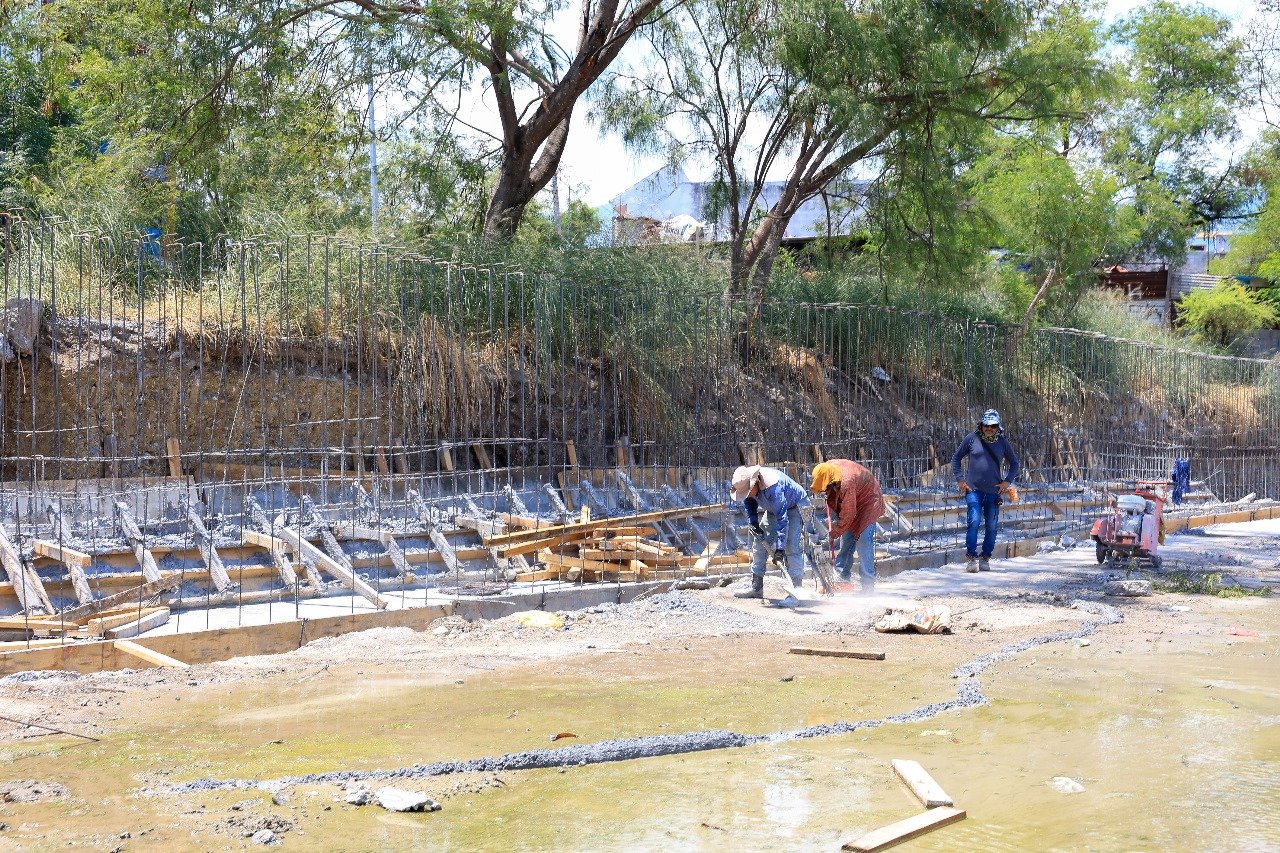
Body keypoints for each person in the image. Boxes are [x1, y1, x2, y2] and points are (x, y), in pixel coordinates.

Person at [951, 408, 1020, 573]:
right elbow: (956, 458)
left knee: (992, 526)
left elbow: (1015, 463)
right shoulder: (971, 439)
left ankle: (985, 557)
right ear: (981, 426)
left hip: (993, 493)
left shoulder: (1003, 442)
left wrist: (1007, 481)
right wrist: (960, 479)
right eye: (986, 425)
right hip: (974, 490)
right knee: (973, 523)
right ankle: (972, 558)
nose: (989, 429)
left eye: (993, 426)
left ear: (998, 427)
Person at [729, 465, 810, 599]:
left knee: (790, 546)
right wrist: (753, 521)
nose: (747, 495)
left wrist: (779, 549)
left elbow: (782, 520)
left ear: (754, 483)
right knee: (760, 542)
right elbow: (749, 502)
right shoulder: (749, 487)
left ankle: (797, 590)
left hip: (795, 506)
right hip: (774, 509)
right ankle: (756, 588)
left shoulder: (774, 488)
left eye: (748, 492)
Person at [810, 459, 885, 593]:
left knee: (864, 541)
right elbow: (841, 504)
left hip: (868, 502)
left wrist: (835, 532)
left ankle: (868, 587)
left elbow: (849, 513)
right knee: (847, 541)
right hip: (853, 500)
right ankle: (841, 579)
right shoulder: (828, 470)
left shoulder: (847, 482)